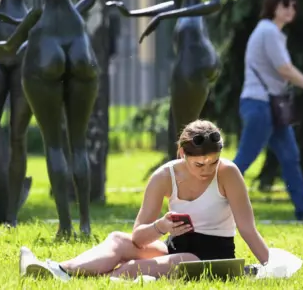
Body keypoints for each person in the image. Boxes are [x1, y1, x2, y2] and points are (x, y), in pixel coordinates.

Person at [19, 120, 277, 281]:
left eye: (213, 162)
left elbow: (247, 229)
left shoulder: (228, 173)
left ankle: (99, 275)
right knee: (118, 240)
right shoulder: (164, 176)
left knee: (135, 268)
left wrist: (270, 266)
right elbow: (138, 237)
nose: (207, 169)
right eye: (199, 163)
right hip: (174, 247)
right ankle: (56, 269)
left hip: (209, 259)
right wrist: (161, 227)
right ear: (182, 153)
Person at [233, 0, 303, 221]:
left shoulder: (273, 32)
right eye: (285, 4)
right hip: (259, 104)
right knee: (243, 160)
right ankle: (209, 205)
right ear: (273, 5)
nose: (290, 10)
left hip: (270, 106)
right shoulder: (268, 31)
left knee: (290, 157)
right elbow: (284, 69)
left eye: (294, 6)